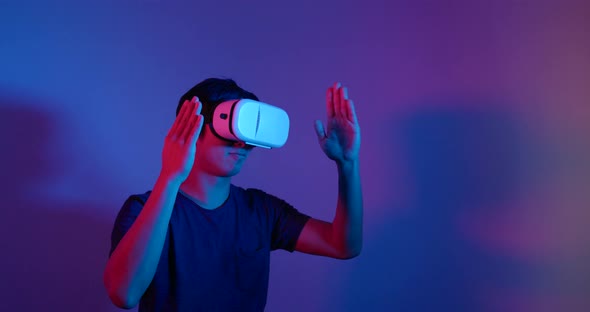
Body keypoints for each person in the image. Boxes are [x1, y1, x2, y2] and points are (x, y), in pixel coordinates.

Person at [103, 78, 363, 311]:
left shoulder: (261, 210)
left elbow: (342, 245)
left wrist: (347, 164)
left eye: (248, 132)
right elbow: (124, 295)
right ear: (193, 127)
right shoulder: (142, 209)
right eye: (233, 129)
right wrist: (170, 177)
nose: (242, 143)